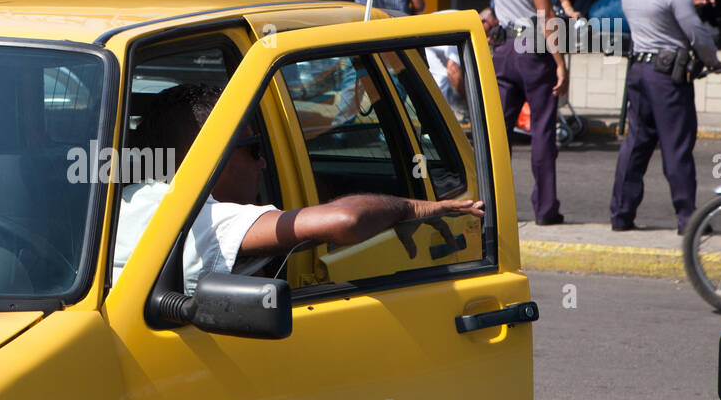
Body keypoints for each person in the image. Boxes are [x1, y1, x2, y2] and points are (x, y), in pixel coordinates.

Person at [111, 83, 484, 292]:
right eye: (253, 149)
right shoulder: (200, 221)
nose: (263, 162)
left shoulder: (118, 203)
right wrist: (410, 208)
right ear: (204, 160)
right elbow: (345, 219)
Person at [610, 0, 721, 235]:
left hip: (639, 72)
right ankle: (688, 218)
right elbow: (697, 35)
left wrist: (689, 5)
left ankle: (621, 214)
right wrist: (714, 62)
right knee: (676, 146)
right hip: (667, 78)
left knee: (636, 143)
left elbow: (655, 18)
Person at [487, 0, 568, 226]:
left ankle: (493, 209)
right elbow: (545, 14)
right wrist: (560, 62)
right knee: (543, 132)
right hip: (533, 50)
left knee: (497, 134)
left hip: (504, 49)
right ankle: (546, 210)